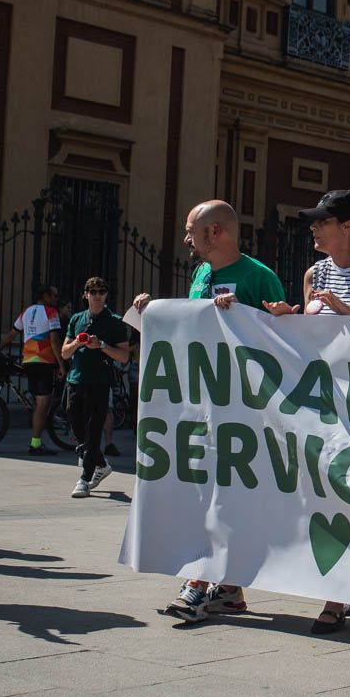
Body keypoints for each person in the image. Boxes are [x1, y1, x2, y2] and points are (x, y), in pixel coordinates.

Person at [136, 200, 286, 623]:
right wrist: (156, 313)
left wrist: (246, 317)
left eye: (192, 230)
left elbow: (285, 340)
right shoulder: (201, 274)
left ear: (216, 232)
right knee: (208, 491)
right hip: (203, 403)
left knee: (225, 495)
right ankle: (230, 589)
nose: (186, 238)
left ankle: (199, 583)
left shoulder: (260, 277)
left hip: (247, 408)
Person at [265, 190, 350, 634]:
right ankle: (340, 590)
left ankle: (346, 593)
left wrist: (349, 313)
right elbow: (310, 335)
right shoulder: (315, 272)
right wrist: (289, 316)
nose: (313, 227)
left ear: (347, 226)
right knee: (326, 492)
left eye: (322, 221)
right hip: (321, 402)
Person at [62, 277, 130, 499]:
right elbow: (64, 352)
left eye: (101, 291)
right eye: (93, 292)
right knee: (77, 428)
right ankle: (101, 463)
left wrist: (100, 345)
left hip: (100, 383)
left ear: (106, 295)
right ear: (85, 294)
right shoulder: (76, 319)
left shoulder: (115, 322)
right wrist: (78, 343)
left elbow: (123, 356)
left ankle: (85, 478)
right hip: (76, 380)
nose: (97, 295)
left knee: (93, 433)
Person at [0, 283, 64, 455]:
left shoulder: (26, 312)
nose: (57, 299)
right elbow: (54, 341)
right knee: (43, 404)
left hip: (28, 360)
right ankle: (35, 443)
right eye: (54, 296)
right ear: (46, 296)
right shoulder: (51, 312)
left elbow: (12, 334)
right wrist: (62, 364)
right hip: (45, 361)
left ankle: (36, 432)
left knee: (38, 402)